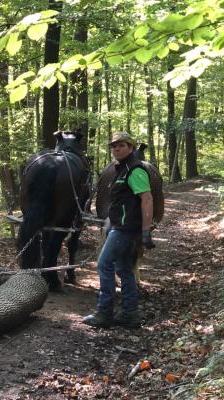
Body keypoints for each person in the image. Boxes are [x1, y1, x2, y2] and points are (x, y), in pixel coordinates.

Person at [83, 132, 155, 329]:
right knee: (123, 268)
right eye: (114, 146)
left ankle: (104, 312)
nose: (116, 149)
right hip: (121, 226)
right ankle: (130, 314)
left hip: (125, 229)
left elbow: (147, 199)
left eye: (121, 145)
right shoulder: (122, 169)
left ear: (131, 148)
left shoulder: (135, 170)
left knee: (104, 265)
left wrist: (145, 230)